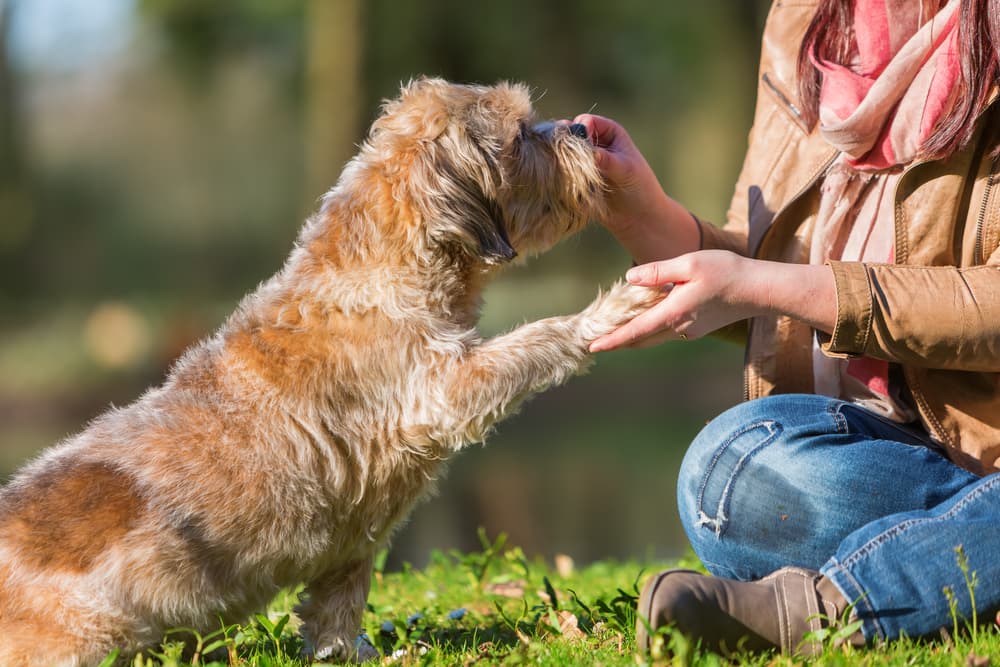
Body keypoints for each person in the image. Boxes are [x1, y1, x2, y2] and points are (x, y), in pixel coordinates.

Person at [573, 0, 1000, 657]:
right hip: (889, 454)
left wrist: (767, 285)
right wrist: (641, 210)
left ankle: (825, 608)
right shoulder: (807, 21)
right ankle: (965, 551)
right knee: (729, 476)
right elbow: (764, 267)